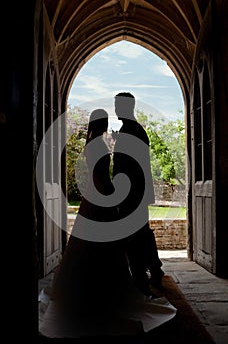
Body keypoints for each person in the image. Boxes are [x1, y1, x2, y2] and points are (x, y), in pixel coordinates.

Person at [39, 108, 176, 338]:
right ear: (102, 123)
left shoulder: (93, 142)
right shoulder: (98, 145)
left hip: (91, 203)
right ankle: (110, 294)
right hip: (100, 202)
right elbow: (100, 179)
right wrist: (112, 196)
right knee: (105, 250)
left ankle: (87, 291)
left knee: (90, 250)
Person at [112, 92, 164, 296]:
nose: (115, 109)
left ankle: (141, 278)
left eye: (118, 105)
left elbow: (128, 166)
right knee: (142, 233)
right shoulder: (132, 129)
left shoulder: (131, 131)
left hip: (131, 193)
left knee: (133, 236)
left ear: (127, 106)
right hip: (136, 192)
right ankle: (155, 269)